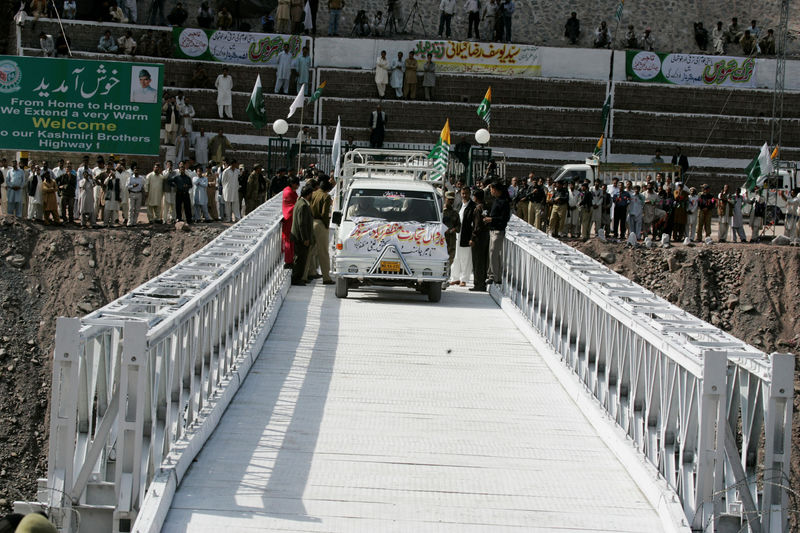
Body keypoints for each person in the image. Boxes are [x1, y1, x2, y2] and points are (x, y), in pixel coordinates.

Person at [309, 179, 334, 284]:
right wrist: (326, 225)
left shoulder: (313, 194)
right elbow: (324, 213)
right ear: (328, 189)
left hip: (311, 222)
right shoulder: (326, 196)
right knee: (323, 252)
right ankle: (326, 277)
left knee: (310, 250)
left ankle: (308, 274)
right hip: (320, 223)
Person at [484, 181, 510, 284]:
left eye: (491, 189)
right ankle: (494, 275)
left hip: (498, 231)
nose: (490, 191)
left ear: (495, 190)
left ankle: (494, 276)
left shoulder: (504, 202)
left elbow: (504, 218)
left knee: (494, 253)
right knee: (493, 254)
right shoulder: (496, 200)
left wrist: (491, 219)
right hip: (493, 230)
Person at [291, 184, 315, 285]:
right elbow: (302, 224)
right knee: (300, 259)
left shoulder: (299, 202)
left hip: (297, 236)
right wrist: (305, 238)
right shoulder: (303, 205)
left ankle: (299, 278)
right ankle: (296, 279)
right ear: (309, 194)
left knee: (300, 258)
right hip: (300, 238)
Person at [469, 188, 489, 291]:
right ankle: (482, 282)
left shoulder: (477, 209)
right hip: (485, 237)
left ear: (475, 197)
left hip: (478, 238)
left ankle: (478, 284)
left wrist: (472, 237)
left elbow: (477, 226)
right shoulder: (485, 207)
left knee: (477, 261)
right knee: (483, 261)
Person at [282, 176, 300, 267]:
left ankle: (289, 259)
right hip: (289, 218)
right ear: (293, 184)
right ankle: (288, 261)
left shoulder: (287, 190)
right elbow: (293, 205)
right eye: (297, 184)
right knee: (289, 240)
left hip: (289, 217)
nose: (298, 186)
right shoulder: (289, 192)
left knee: (290, 240)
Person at [442, 191, 460, 268]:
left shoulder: (455, 213)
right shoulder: (440, 211)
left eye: (452, 200)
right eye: (449, 199)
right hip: (441, 239)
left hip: (451, 239)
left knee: (451, 257)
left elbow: (459, 226)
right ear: (445, 199)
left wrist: (454, 229)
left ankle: (448, 273)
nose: (451, 201)